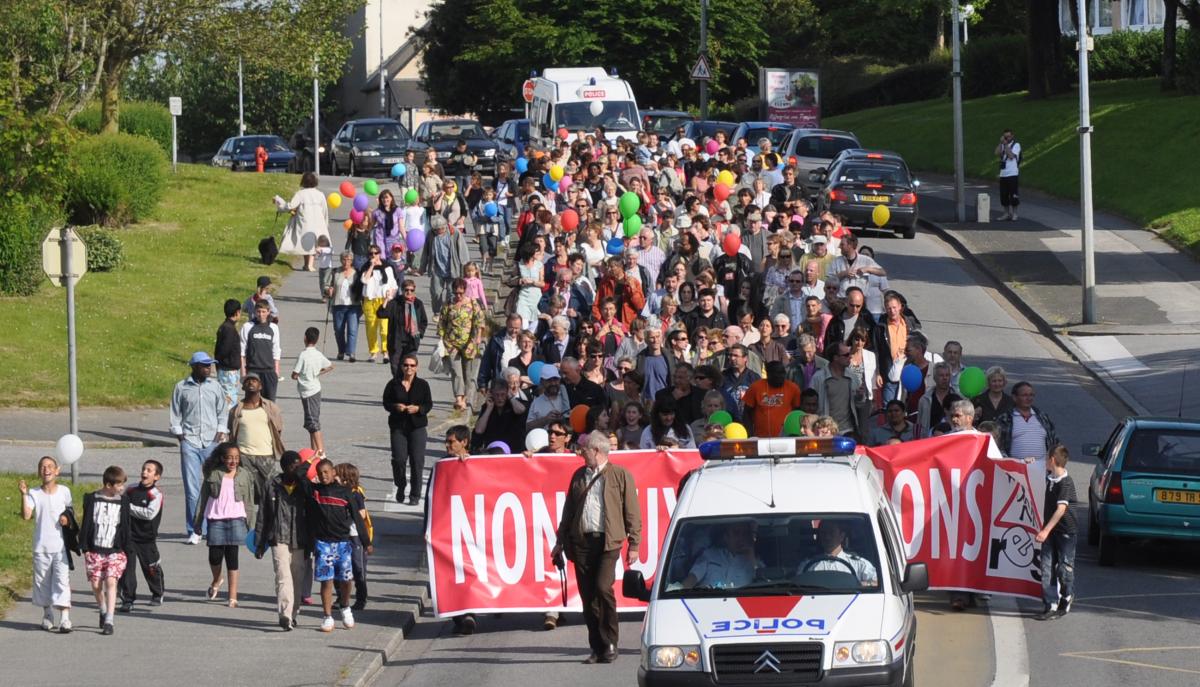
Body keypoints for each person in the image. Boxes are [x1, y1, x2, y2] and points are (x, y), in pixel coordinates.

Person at [552, 431, 642, 664]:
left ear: (596, 451)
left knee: (603, 588)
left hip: (608, 542)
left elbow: (632, 512)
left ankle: (611, 641)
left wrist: (634, 544)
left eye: (584, 449)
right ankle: (597, 646)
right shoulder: (579, 475)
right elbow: (568, 510)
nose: (581, 452)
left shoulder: (620, 474)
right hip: (581, 542)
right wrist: (559, 542)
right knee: (588, 596)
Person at [295, 458, 373, 633]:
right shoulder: (315, 491)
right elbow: (300, 475)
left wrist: (366, 542)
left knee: (346, 579)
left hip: (343, 543)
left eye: (326, 472)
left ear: (333, 473)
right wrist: (312, 459)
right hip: (323, 543)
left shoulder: (345, 493)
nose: (323, 476)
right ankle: (327, 616)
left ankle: (345, 606)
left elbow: (357, 518)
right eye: (320, 473)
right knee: (326, 581)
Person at [170, 351, 229, 544]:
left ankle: (215, 526)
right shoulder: (181, 387)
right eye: (204, 365)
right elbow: (175, 414)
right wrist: (180, 436)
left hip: (211, 441)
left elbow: (222, 411)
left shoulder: (215, 386)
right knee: (192, 489)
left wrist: (220, 431)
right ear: (194, 367)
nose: (208, 369)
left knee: (215, 485)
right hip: (190, 442)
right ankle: (194, 529)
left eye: (209, 365)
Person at [254, 451, 311, 631]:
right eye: (293, 467)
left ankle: (293, 613)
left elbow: (313, 506)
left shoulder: (304, 485)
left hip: (300, 538)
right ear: (284, 468)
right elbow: (263, 514)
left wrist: (304, 479)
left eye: (299, 466)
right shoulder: (272, 485)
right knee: (282, 576)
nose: (296, 470)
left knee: (297, 578)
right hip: (278, 537)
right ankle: (285, 615)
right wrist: (259, 542)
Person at [193, 443, 254, 608]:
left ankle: (232, 596)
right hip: (216, 519)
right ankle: (217, 579)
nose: (233, 461)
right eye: (229, 458)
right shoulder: (213, 474)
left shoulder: (245, 475)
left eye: (236, 458)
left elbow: (249, 501)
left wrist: (252, 526)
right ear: (222, 458)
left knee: (232, 557)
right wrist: (197, 522)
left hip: (236, 519)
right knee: (214, 556)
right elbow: (203, 498)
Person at [20, 455, 74, 633]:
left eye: (50, 466)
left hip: (60, 546)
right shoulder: (34, 493)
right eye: (42, 467)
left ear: (57, 471)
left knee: (62, 580)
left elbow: (70, 511)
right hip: (41, 546)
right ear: (39, 472)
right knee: (42, 582)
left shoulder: (64, 491)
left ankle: (65, 618)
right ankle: (47, 613)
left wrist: (66, 518)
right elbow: (26, 515)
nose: (46, 469)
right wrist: (23, 494)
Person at [80, 465, 131, 636]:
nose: (122, 488)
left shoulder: (123, 501)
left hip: (115, 550)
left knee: (111, 581)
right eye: (119, 484)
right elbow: (86, 524)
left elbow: (126, 526)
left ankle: (109, 619)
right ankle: (102, 608)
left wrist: (127, 548)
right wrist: (84, 547)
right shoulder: (91, 499)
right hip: (95, 549)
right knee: (96, 584)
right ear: (109, 485)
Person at [383, 353, 433, 506]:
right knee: (399, 459)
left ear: (416, 367)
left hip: (417, 426)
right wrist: (395, 407)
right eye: (406, 365)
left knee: (417, 461)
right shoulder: (393, 384)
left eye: (412, 365)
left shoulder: (423, 385)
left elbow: (428, 404)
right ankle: (400, 485)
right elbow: (386, 402)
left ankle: (415, 495)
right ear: (401, 366)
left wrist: (418, 409)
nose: (408, 368)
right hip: (398, 427)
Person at [1035, 444, 1077, 620]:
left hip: (1065, 532)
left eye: (1047, 458)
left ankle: (1066, 596)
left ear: (1052, 460)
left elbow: (1061, 509)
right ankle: (1050, 604)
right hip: (1050, 532)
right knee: (1046, 568)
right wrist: (1028, 462)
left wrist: (1045, 530)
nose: (1045, 461)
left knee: (1063, 569)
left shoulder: (1066, 482)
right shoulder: (1048, 479)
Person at [117, 460, 164, 613]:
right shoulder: (131, 489)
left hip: (146, 538)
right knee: (127, 568)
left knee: (151, 568)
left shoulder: (155, 494)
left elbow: (149, 514)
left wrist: (128, 507)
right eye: (144, 469)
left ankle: (157, 593)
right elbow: (120, 503)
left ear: (156, 477)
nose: (144, 472)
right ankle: (128, 599)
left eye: (149, 470)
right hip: (129, 536)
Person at [228, 372, 285, 499]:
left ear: (260, 386)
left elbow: (278, 429)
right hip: (244, 456)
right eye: (247, 381)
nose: (250, 383)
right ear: (243, 387)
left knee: (270, 493)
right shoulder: (236, 410)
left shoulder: (270, 407)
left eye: (254, 380)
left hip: (266, 455)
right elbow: (231, 432)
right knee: (246, 494)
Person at [438, 278, 487, 412]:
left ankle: (465, 397)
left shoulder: (472, 303)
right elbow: (442, 321)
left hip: (468, 343)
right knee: (456, 371)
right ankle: (458, 398)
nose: (458, 296)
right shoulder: (448, 304)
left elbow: (479, 320)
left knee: (467, 373)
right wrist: (441, 338)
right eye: (456, 293)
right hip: (451, 342)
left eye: (461, 293)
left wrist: (478, 337)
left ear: (465, 291)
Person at [678, 520, 760, 590]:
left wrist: (751, 556)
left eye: (744, 534)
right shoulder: (709, 555)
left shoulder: (755, 563)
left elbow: (762, 584)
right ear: (726, 537)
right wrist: (677, 591)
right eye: (736, 533)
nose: (740, 538)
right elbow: (691, 579)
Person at [275, 172, 331, 272]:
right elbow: (325, 210)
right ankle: (308, 264)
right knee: (315, 242)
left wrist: (280, 203)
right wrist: (325, 223)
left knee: (306, 242)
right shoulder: (320, 194)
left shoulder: (300, 194)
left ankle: (308, 264)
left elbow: (290, 206)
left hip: (305, 222)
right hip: (318, 222)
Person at [335, 463, 372, 612]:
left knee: (358, 568)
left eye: (336, 475)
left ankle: (361, 598)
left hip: (355, 535)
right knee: (339, 567)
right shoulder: (337, 492)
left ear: (345, 479)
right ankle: (341, 597)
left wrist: (346, 516)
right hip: (341, 535)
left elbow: (362, 513)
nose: (334, 477)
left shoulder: (356, 493)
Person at [797, 520, 878, 587]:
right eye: (823, 533)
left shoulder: (859, 564)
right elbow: (797, 587)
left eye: (831, 532)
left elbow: (878, 582)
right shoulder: (808, 565)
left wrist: (860, 584)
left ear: (842, 536)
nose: (827, 537)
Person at [292, 327, 333, 453]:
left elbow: (294, 374)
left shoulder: (303, 355)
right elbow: (330, 366)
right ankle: (313, 451)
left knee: (312, 422)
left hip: (307, 391)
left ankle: (321, 452)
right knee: (312, 421)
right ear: (317, 340)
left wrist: (299, 376)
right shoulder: (318, 354)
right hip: (316, 389)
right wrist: (318, 373)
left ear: (305, 338)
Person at [377, 278, 428, 377]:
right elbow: (381, 314)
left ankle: (409, 384)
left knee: (409, 367)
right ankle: (398, 384)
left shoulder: (418, 304)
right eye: (406, 290)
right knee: (395, 367)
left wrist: (419, 332)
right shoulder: (395, 303)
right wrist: (386, 300)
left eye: (411, 290)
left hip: (412, 340)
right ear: (402, 290)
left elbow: (423, 321)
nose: (409, 292)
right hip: (396, 341)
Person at [997, 381, 1059, 461]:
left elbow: (1054, 442)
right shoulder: (1005, 419)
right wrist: (1009, 462)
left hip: (1042, 467)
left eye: (1031, 395)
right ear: (1014, 397)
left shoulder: (1043, 417)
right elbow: (997, 445)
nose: (1029, 398)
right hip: (1015, 467)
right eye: (1024, 395)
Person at [810, 342, 860, 437]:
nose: (850, 357)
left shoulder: (852, 377)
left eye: (850, 353)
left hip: (848, 430)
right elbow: (810, 405)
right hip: (826, 431)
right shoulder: (818, 378)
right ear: (835, 357)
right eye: (846, 355)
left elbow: (859, 404)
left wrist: (860, 396)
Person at [358, 244, 398, 364]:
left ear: (380, 254)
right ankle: (373, 352)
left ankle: (386, 352)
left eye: (375, 253)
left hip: (383, 300)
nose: (373, 255)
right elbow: (364, 280)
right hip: (370, 300)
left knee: (385, 329)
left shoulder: (388, 267)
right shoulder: (366, 267)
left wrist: (390, 296)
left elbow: (394, 285)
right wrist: (371, 266)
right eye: (371, 253)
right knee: (371, 328)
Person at [742, 361, 803, 437]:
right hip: (760, 437)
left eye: (782, 373)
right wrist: (750, 434)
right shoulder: (755, 387)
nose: (780, 376)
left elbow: (798, 413)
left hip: (786, 437)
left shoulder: (793, 388)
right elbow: (746, 412)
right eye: (777, 373)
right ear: (768, 374)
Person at [240, 299, 282, 400]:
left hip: (269, 371)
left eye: (263, 311)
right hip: (253, 371)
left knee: (269, 402)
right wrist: (243, 373)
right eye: (258, 311)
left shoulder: (273, 328)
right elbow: (242, 352)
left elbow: (276, 350)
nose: (261, 314)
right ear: (255, 312)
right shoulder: (247, 327)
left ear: (268, 312)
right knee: (252, 401)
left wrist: (276, 371)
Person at [329, 251, 362, 362]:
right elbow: (327, 285)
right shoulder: (335, 272)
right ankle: (341, 351)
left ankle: (351, 353)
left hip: (353, 305)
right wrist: (329, 290)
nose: (346, 262)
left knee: (352, 330)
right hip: (338, 305)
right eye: (344, 259)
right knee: (338, 330)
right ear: (341, 260)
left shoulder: (357, 273)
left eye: (348, 260)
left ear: (352, 261)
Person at [917, 362, 963, 437]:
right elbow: (919, 425)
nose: (945, 378)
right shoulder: (925, 399)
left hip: (952, 438)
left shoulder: (958, 398)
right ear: (934, 378)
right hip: (930, 439)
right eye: (941, 375)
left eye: (947, 375)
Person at [214, 299, 243, 406]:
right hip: (228, 370)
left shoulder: (225, 326)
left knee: (229, 397)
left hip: (226, 369)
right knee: (229, 400)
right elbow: (224, 350)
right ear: (237, 312)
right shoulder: (229, 329)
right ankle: (228, 417)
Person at [995, 128, 1021, 221]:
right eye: (1005, 137)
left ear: (1012, 136)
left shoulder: (1016, 145)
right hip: (1003, 174)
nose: (1007, 138)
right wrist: (1001, 143)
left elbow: (1011, 156)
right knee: (1004, 195)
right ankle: (1006, 213)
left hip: (1012, 174)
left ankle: (1015, 214)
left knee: (1013, 195)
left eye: (1008, 136)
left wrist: (1006, 145)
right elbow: (996, 153)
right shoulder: (1003, 144)